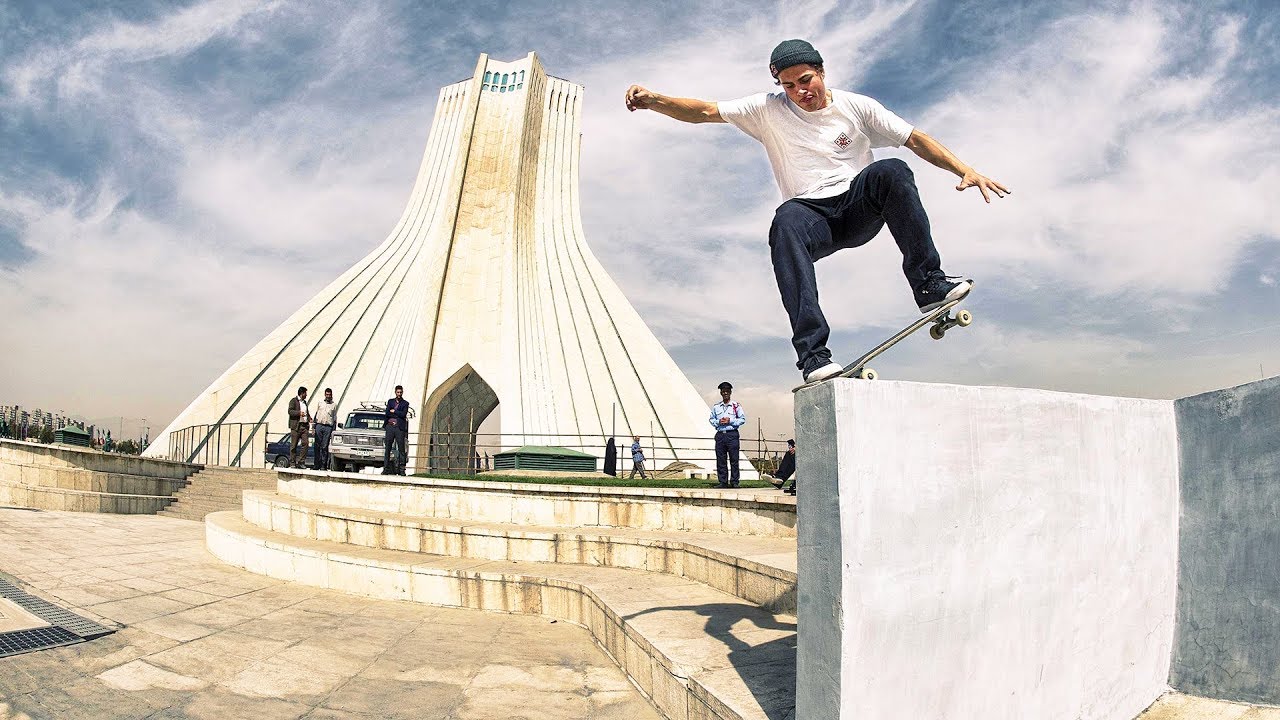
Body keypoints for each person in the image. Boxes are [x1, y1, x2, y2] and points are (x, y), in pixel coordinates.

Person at [625, 39, 1009, 383]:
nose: (799, 92)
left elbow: (915, 139)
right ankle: (813, 354)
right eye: (789, 86)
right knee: (785, 219)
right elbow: (704, 111)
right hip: (814, 219)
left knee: (891, 170)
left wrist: (965, 170)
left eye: (806, 80)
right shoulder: (765, 109)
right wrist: (655, 100)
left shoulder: (856, 106)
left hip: (858, 208)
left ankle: (928, 284)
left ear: (822, 72)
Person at [708, 381, 746, 488]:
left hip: (732, 434)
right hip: (720, 434)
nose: (725, 393)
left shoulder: (736, 405)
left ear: (730, 392)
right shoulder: (716, 407)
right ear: (721, 392)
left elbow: (742, 419)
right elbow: (711, 419)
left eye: (727, 391)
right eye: (723, 391)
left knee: (734, 459)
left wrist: (730, 421)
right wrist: (718, 422)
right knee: (721, 459)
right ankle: (723, 482)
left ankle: (734, 482)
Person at [383, 385, 410, 475]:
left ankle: (402, 469)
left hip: (399, 428)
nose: (399, 394)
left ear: (402, 392)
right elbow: (387, 413)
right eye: (398, 392)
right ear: (395, 392)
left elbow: (403, 414)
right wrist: (396, 414)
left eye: (400, 392)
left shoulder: (405, 403)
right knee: (388, 448)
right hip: (390, 427)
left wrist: (394, 411)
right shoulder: (390, 402)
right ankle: (386, 469)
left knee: (401, 449)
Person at [312, 387, 337, 471]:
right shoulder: (320, 403)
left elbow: (334, 418)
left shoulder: (334, 405)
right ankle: (316, 464)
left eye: (329, 395)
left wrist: (333, 431)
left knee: (324, 446)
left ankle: (323, 465)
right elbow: (316, 415)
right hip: (319, 425)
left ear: (331, 395)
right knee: (317, 445)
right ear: (325, 395)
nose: (328, 396)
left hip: (328, 427)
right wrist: (313, 427)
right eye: (327, 394)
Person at [287, 386, 310, 468]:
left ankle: (301, 462)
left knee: (305, 444)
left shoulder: (304, 402)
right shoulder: (293, 401)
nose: (306, 395)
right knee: (294, 445)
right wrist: (299, 413)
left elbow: (306, 412)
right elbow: (290, 411)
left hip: (304, 426)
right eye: (305, 393)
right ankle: (292, 462)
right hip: (296, 426)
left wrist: (309, 418)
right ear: (302, 393)